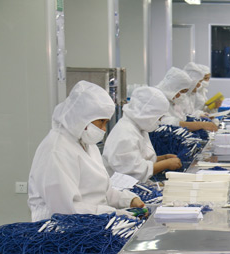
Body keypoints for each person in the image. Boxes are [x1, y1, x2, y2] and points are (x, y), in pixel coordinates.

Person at [28, 81, 144, 222]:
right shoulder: (57, 150)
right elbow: (66, 210)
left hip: (93, 223)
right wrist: (112, 213)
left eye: (106, 122)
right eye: (101, 121)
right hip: (63, 229)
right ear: (82, 117)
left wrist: (128, 200)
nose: (104, 129)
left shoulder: (86, 143)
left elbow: (102, 190)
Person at [102, 86, 182, 183]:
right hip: (122, 187)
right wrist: (166, 164)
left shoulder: (139, 128)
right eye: (158, 118)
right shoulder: (125, 134)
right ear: (147, 114)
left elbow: (139, 159)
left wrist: (162, 158)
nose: (159, 121)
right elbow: (133, 172)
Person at [156, 67, 218, 132]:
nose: (199, 85)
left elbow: (184, 116)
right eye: (182, 91)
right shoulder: (158, 99)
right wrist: (199, 125)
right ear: (173, 88)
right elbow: (164, 122)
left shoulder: (173, 100)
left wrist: (199, 116)